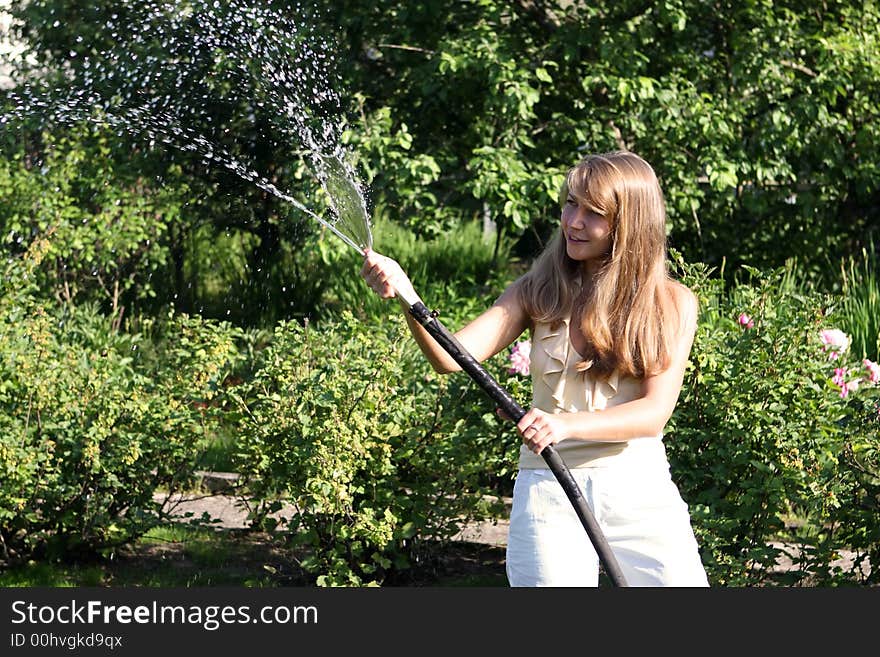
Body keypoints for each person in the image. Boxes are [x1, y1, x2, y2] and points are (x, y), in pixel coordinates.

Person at [361, 151, 708, 587]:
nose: (573, 221)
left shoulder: (671, 303)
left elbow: (654, 412)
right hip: (547, 489)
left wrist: (562, 425)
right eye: (570, 203)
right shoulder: (537, 291)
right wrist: (407, 295)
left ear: (629, 223)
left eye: (592, 212)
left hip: (638, 488)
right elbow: (452, 357)